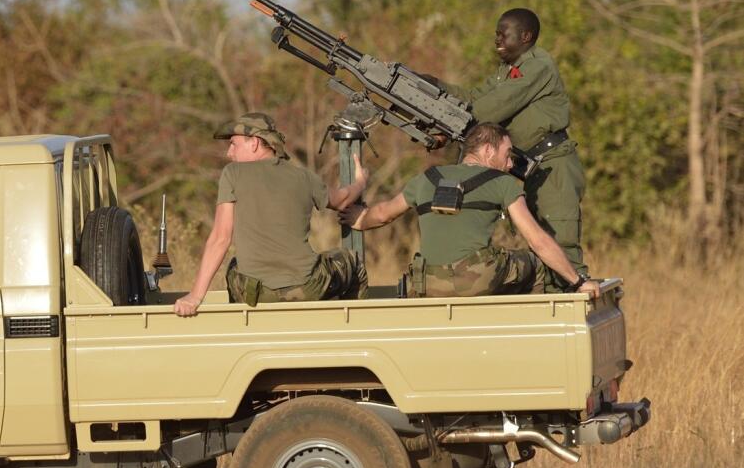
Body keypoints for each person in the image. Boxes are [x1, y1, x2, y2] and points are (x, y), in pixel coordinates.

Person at [344, 122, 600, 299]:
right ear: (488, 150)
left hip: (428, 284)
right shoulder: (502, 183)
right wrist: (578, 281)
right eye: (508, 155)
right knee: (536, 264)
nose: (510, 164)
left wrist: (357, 218)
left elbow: (382, 214)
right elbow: (538, 240)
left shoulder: (425, 178)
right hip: (475, 280)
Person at [439, 8, 587, 285]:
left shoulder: (538, 65)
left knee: (561, 248)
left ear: (525, 36)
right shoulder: (506, 71)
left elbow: (490, 107)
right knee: (539, 250)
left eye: (502, 35)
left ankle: (572, 313)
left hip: (552, 167)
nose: (497, 40)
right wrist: (432, 86)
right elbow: (473, 98)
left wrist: (449, 120)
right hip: (526, 167)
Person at [174, 112, 369, 317]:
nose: (229, 153)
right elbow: (343, 200)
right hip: (308, 287)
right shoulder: (303, 176)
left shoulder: (232, 174)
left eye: (234, 144)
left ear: (255, 143)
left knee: (235, 266)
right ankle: (348, 332)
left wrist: (195, 297)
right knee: (353, 262)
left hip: (256, 294)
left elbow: (220, 238)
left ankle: (245, 327)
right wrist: (361, 182)